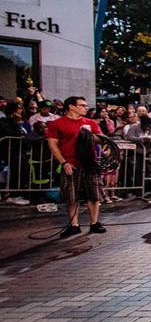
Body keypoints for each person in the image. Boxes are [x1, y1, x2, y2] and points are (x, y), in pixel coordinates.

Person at [45, 96, 107, 237]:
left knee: (94, 194)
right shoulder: (57, 124)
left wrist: (90, 135)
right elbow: (52, 144)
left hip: (89, 163)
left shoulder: (90, 123)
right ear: (71, 107)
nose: (85, 107)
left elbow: (100, 138)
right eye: (82, 105)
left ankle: (94, 223)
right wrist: (64, 162)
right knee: (71, 196)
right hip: (71, 163)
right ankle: (74, 225)